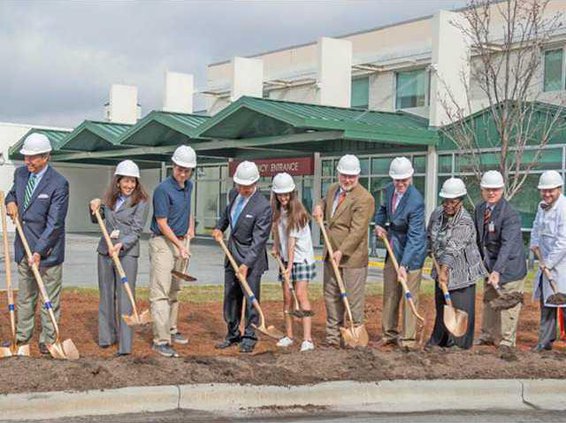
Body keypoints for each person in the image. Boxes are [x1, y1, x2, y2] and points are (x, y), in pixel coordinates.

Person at [5, 133, 69, 355]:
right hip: (24, 247)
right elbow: (12, 194)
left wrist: (40, 251)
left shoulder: (59, 183)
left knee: (49, 298)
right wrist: (10, 202)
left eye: (32, 158)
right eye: (26, 157)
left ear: (46, 157)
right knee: (25, 297)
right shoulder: (21, 174)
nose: (27, 162)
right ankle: (22, 339)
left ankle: (49, 340)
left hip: (48, 251)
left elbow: (56, 223)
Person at [312, 154, 374, 348]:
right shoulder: (332, 190)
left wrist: (341, 251)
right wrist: (319, 206)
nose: (347, 180)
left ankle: (355, 337)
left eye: (352, 176)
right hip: (330, 254)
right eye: (344, 175)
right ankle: (333, 338)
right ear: (338, 174)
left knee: (353, 300)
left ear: (358, 176)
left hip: (352, 259)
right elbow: (325, 201)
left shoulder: (364, 198)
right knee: (331, 296)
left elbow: (358, 231)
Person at [89, 160, 149, 356]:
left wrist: (122, 244)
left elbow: (137, 230)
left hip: (126, 253)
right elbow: (96, 217)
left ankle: (125, 346)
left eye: (133, 182)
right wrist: (94, 204)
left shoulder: (141, 202)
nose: (130, 185)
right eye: (126, 181)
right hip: (105, 251)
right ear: (118, 181)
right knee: (106, 294)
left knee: (124, 297)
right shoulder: (109, 200)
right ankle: (106, 338)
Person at [212, 161, 272, 354]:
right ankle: (232, 333)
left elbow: (259, 240)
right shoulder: (233, 194)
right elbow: (226, 215)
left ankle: (250, 336)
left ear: (255, 183)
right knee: (230, 296)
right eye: (240, 186)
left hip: (251, 259)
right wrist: (219, 228)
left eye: (247, 187)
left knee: (250, 297)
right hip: (231, 254)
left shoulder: (263, 207)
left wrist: (246, 264)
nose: (243, 190)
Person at [427, 178, 486, 350]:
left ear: (460, 201)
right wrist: (430, 252)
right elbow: (429, 234)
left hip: (462, 271)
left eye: (452, 202)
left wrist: (444, 270)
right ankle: (440, 340)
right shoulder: (437, 213)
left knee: (460, 306)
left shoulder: (465, 221)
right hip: (440, 268)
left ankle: (458, 344)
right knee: (442, 306)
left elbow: (453, 248)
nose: (448, 205)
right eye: (445, 201)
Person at [473, 171, 527, 360]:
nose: (491, 193)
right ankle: (487, 334)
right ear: (482, 190)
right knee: (489, 300)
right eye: (488, 189)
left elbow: (508, 245)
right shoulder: (480, 209)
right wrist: (484, 265)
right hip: (490, 264)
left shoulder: (510, 214)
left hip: (510, 267)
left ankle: (506, 341)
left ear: (502, 190)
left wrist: (497, 270)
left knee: (507, 302)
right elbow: (479, 238)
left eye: (495, 189)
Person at [374, 157, 426, 350]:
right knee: (390, 293)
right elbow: (382, 210)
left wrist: (405, 265)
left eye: (404, 179)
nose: (401, 183)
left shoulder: (416, 201)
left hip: (412, 251)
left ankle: (409, 339)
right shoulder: (388, 190)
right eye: (397, 180)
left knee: (408, 294)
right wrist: (379, 224)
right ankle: (389, 334)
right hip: (393, 247)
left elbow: (415, 237)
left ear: (411, 177)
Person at [149, 145, 196, 358]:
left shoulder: (189, 186)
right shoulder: (162, 189)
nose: (183, 173)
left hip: (181, 241)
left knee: (175, 290)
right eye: (179, 169)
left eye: (187, 170)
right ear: (173, 166)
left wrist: (190, 229)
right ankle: (160, 340)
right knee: (161, 292)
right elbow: (162, 222)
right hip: (163, 243)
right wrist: (179, 246)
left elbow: (187, 210)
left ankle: (171, 329)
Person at [270, 172, 315, 352]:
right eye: (280, 194)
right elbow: (277, 230)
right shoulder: (277, 211)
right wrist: (275, 246)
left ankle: (307, 339)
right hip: (286, 259)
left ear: (292, 193)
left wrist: (288, 267)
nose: (283, 198)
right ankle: (289, 336)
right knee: (287, 298)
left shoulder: (299, 214)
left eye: (286, 194)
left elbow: (291, 241)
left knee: (300, 295)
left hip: (301, 259)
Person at [529, 170, 566, 352]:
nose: (547, 194)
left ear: (559, 189)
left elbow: (563, 241)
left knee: (564, 304)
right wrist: (534, 243)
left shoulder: (564, 208)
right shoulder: (541, 206)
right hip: (546, 265)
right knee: (547, 304)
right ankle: (545, 342)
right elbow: (536, 227)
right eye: (544, 191)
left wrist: (548, 263)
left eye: (550, 191)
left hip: (562, 266)